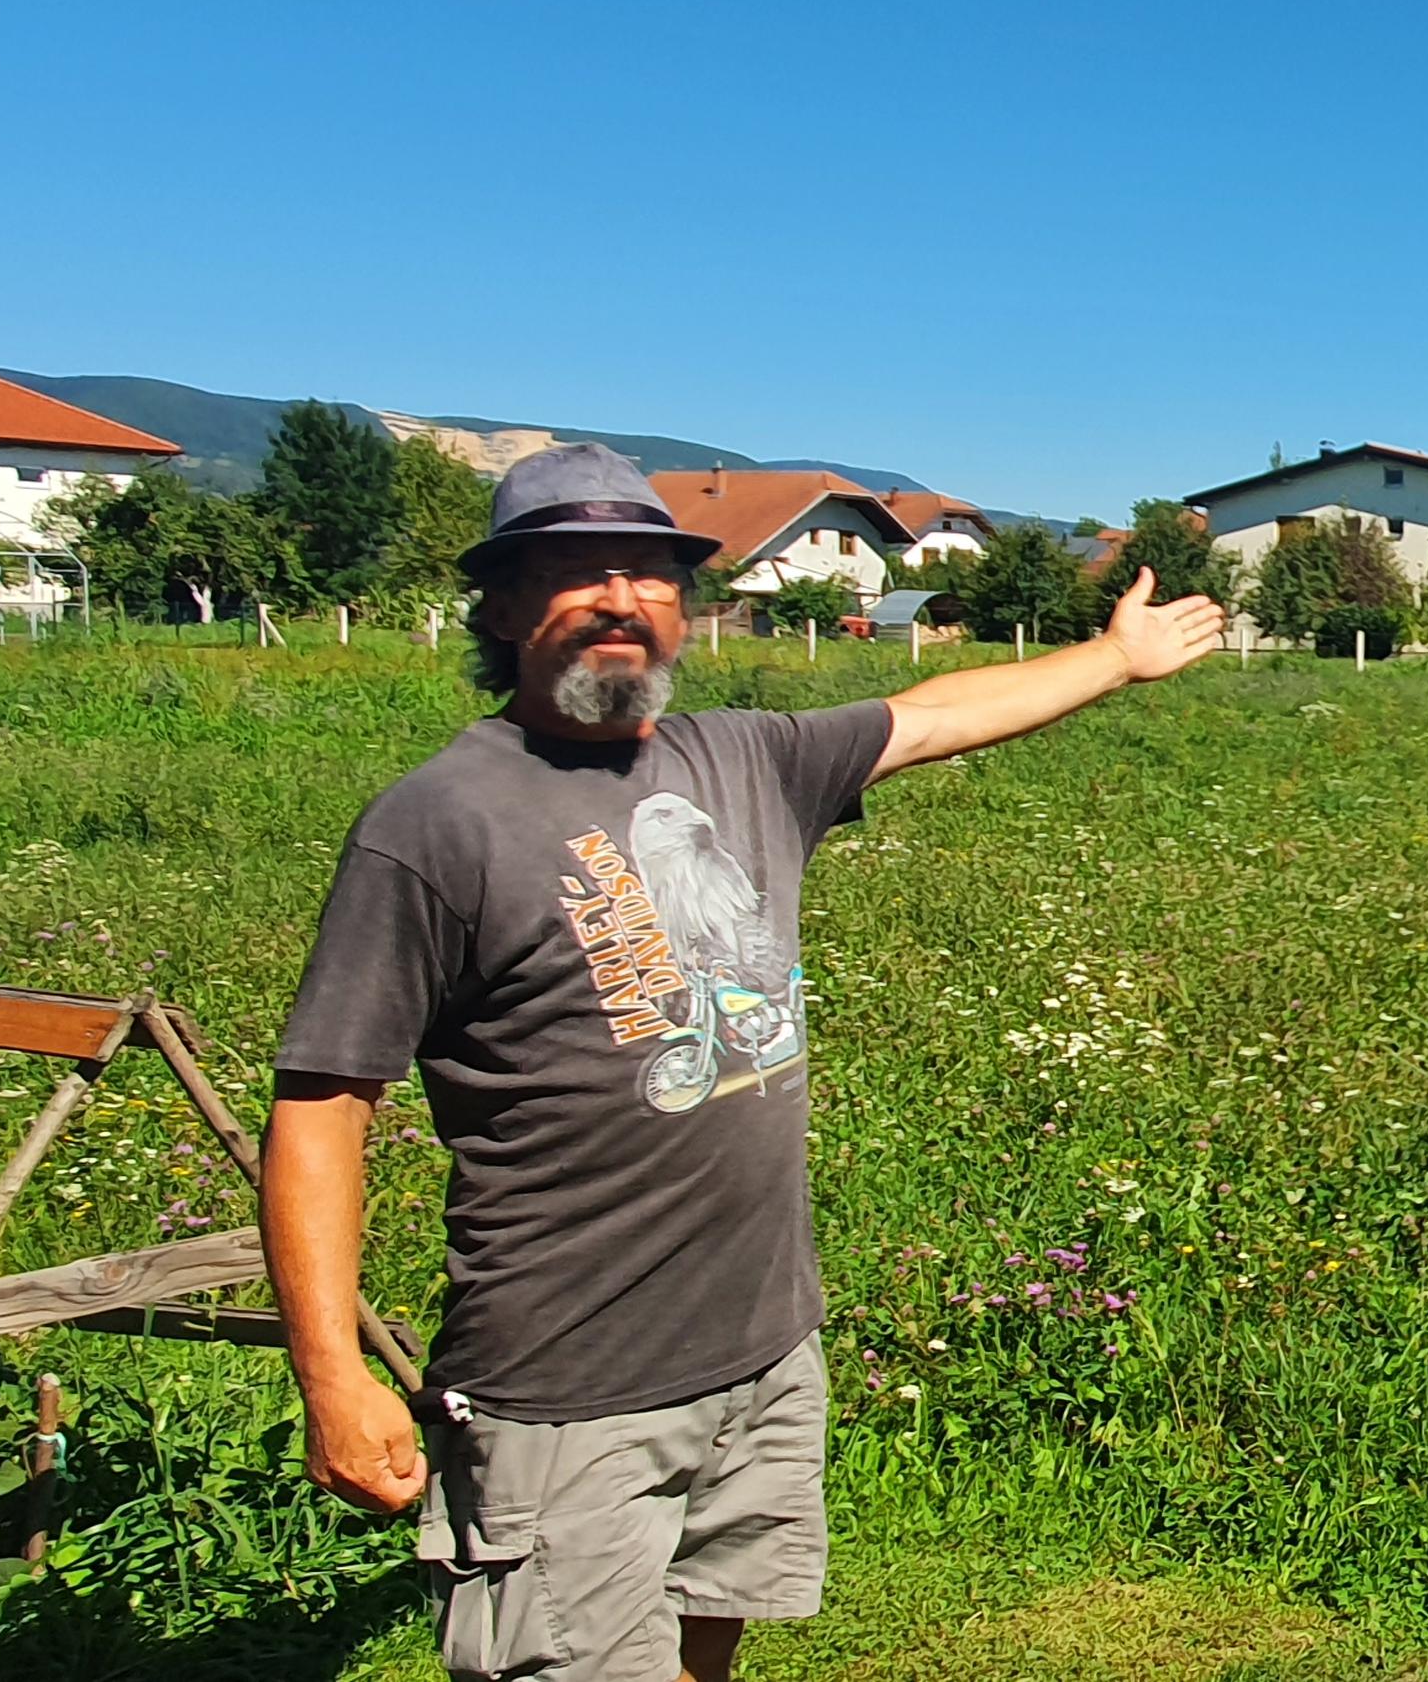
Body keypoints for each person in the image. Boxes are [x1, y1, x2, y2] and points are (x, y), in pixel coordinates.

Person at [260, 443, 1223, 1682]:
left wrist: (1117, 658)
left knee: (703, 1657)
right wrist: (333, 1375)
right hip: (569, 1383)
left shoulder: (742, 758)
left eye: (650, 573)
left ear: (685, 606)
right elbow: (323, 1106)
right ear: (499, 608)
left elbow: (932, 715)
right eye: (573, 571)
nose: (621, 598)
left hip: (762, 1346)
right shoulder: (438, 822)